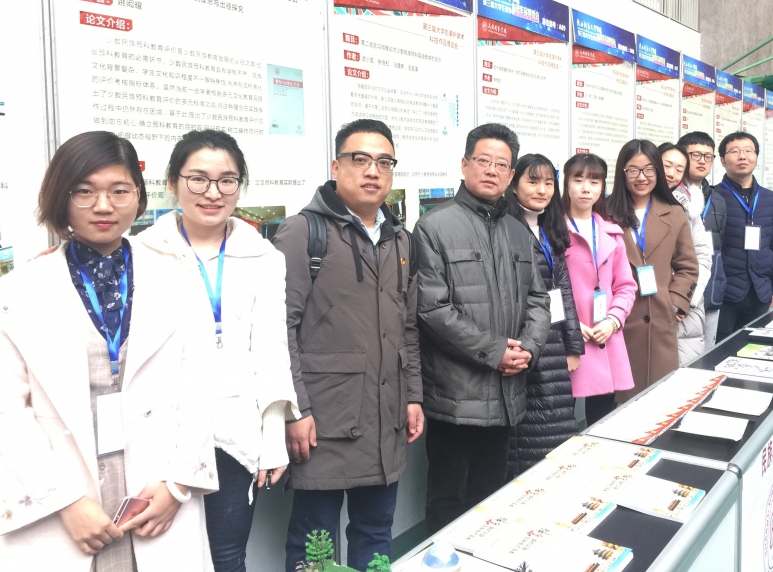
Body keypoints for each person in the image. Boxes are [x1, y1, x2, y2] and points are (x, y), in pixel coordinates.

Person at [0, 131, 218, 571]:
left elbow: (200, 384)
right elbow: (7, 410)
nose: (104, 206)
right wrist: (63, 502)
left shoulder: (177, 276)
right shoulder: (20, 290)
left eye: (120, 191)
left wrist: (177, 485)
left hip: (155, 490)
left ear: (138, 197)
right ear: (60, 198)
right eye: (84, 192)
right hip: (63, 495)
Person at [137, 129, 299, 572]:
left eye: (227, 180)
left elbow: (270, 349)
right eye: (198, 179)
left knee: (228, 557)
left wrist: (272, 437)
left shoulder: (263, 257)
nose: (213, 193)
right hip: (164, 431)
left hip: (233, 432)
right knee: (165, 557)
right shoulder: (141, 253)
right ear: (172, 183)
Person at [272, 119, 423, 572]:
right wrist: (295, 410)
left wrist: (413, 396)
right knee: (314, 543)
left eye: (384, 162)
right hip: (323, 421)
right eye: (360, 159)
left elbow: (408, 327)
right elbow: (280, 329)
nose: (372, 171)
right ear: (336, 167)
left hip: (386, 416)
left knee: (376, 534)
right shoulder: (303, 233)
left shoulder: (400, 238)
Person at [414, 123, 550, 535]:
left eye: (501, 164)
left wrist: (528, 348)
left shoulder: (518, 231)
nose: (492, 170)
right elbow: (432, 309)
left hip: (507, 392)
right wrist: (495, 352)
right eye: (483, 160)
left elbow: (538, 299)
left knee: (492, 497)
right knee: (448, 499)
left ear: (510, 175)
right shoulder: (434, 226)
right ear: (464, 164)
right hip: (455, 395)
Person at [505, 154, 584, 477]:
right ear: (513, 185)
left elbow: (564, 290)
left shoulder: (550, 228)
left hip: (555, 340)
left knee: (557, 426)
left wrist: (573, 345)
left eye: (549, 183)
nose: (542, 190)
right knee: (529, 434)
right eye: (533, 181)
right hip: (525, 339)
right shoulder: (507, 228)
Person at [605, 140, 699, 400]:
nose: (641, 177)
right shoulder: (605, 213)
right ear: (622, 173)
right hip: (616, 320)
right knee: (612, 405)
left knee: (657, 401)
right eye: (633, 170)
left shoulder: (674, 213)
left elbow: (687, 266)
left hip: (659, 320)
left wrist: (675, 303)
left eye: (649, 169)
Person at [560, 153, 637, 426]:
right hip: (567, 338)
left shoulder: (612, 233)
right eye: (578, 180)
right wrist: (569, 325)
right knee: (560, 419)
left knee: (602, 420)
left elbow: (626, 286)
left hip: (605, 335)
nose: (586, 189)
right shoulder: (552, 230)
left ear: (602, 187)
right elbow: (543, 288)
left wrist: (614, 321)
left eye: (594, 182)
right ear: (566, 183)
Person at [714, 132, 773, 340]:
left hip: (760, 291)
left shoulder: (770, 199)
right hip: (725, 293)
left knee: (755, 346)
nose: (742, 156)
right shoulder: (713, 196)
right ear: (722, 160)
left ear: (756, 157)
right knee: (721, 348)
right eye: (734, 151)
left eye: (748, 151)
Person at [659, 143, 713, 364]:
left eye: (679, 169)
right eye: (666, 166)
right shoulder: (636, 204)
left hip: (686, 307)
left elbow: (703, 256)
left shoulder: (690, 207)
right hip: (652, 303)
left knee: (685, 371)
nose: (672, 173)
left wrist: (684, 300)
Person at [677, 132, 727, 346]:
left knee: (708, 352)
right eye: (696, 155)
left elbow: (720, 246)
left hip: (711, 289)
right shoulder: (672, 195)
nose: (702, 161)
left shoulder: (718, 200)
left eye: (708, 156)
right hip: (680, 291)